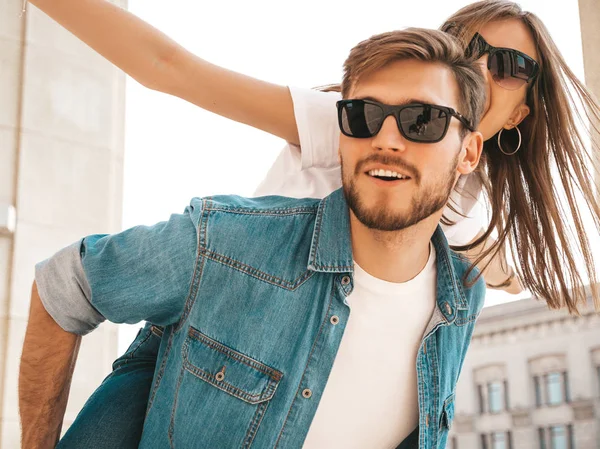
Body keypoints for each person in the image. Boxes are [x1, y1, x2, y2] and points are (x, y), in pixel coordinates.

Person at [19, 0, 600, 446]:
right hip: (204, 338)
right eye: (469, 44)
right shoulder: (351, 121)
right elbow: (171, 69)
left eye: (509, 65)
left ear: (517, 115)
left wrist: (530, 277)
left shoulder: (466, 210)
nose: (480, 64)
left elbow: (496, 267)